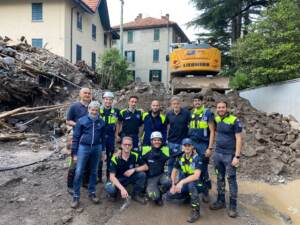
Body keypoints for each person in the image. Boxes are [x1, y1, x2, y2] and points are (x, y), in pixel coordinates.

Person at [209, 100, 242, 218]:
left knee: (231, 179)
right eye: (219, 108)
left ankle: (233, 206)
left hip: (230, 155)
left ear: (227, 108)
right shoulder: (217, 119)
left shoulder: (234, 120)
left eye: (223, 107)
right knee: (219, 178)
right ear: (216, 109)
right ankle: (221, 201)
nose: (221, 109)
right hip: (218, 154)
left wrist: (237, 156)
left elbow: (238, 139)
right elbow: (214, 131)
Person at [71, 101, 105, 208]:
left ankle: (92, 192)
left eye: (96, 110)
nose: (94, 112)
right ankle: (76, 196)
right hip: (83, 147)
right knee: (79, 171)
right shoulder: (81, 121)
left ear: (98, 111)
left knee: (94, 171)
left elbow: (103, 138)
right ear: (88, 109)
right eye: (92, 110)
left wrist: (103, 151)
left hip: (96, 147)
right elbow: (76, 138)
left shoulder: (101, 122)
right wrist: (75, 154)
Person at [167, 138, 204, 223]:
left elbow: (196, 176)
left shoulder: (198, 158)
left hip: (198, 184)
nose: (187, 147)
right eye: (185, 145)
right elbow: (174, 170)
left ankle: (196, 211)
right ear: (182, 147)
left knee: (191, 186)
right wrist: (173, 184)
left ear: (192, 147)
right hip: (185, 182)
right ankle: (187, 196)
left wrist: (181, 182)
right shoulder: (180, 157)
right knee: (169, 196)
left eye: (189, 145)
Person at [105, 136, 148, 204]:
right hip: (117, 179)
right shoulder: (115, 157)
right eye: (125, 144)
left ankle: (135, 194)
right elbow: (112, 177)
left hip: (128, 178)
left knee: (142, 175)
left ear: (132, 146)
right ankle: (113, 194)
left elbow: (146, 167)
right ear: (121, 145)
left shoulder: (135, 155)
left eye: (129, 145)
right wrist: (122, 189)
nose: (127, 146)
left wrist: (134, 169)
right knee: (111, 189)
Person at [188, 95, 215, 202]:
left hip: (203, 145)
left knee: (203, 168)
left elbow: (212, 131)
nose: (197, 102)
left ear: (202, 102)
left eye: (198, 101)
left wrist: (210, 147)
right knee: (193, 166)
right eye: (195, 101)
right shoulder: (191, 113)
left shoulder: (207, 113)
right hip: (193, 143)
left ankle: (205, 191)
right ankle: (194, 189)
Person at [66, 87, 92, 194]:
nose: (87, 95)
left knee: (87, 161)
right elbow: (68, 121)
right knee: (74, 162)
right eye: (85, 93)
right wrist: (79, 125)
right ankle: (70, 186)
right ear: (80, 94)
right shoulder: (74, 106)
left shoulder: (92, 106)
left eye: (89, 93)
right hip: (77, 138)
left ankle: (84, 182)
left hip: (89, 138)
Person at [141, 131, 171, 205]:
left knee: (168, 182)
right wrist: (120, 150)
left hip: (161, 175)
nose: (157, 142)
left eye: (158, 140)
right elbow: (132, 153)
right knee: (154, 197)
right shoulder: (145, 149)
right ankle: (153, 192)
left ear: (161, 141)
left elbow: (177, 153)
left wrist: (186, 151)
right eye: (154, 140)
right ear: (151, 141)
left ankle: (160, 192)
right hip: (150, 178)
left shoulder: (165, 150)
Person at [98, 91, 121, 181]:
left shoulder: (115, 111)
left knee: (110, 157)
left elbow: (118, 123)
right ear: (103, 100)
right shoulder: (98, 110)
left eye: (110, 99)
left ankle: (109, 177)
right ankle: (98, 177)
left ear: (112, 101)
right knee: (99, 157)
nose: (108, 101)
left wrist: (116, 134)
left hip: (110, 137)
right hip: (100, 137)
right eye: (106, 99)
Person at [166, 96, 190, 176]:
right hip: (171, 141)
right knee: (171, 162)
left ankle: (181, 180)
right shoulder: (169, 114)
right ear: (171, 105)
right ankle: (169, 179)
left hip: (183, 142)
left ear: (180, 104)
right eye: (174, 104)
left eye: (177, 104)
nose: (176, 105)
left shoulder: (186, 113)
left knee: (182, 162)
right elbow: (165, 126)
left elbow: (190, 126)